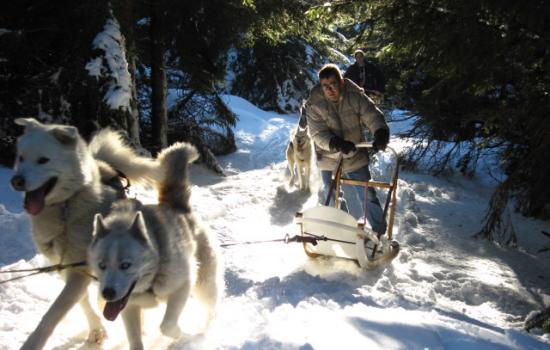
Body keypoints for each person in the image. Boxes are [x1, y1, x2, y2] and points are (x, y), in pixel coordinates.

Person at [304, 63, 389, 234]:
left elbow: (371, 114)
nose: (330, 89)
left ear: (341, 82)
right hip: (328, 155)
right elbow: (317, 133)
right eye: (325, 86)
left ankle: (379, 232)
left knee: (367, 193)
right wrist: (336, 143)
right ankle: (343, 228)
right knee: (331, 194)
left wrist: (380, 132)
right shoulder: (314, 102)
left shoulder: (354, 95)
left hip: (354, 152)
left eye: (333, 84)